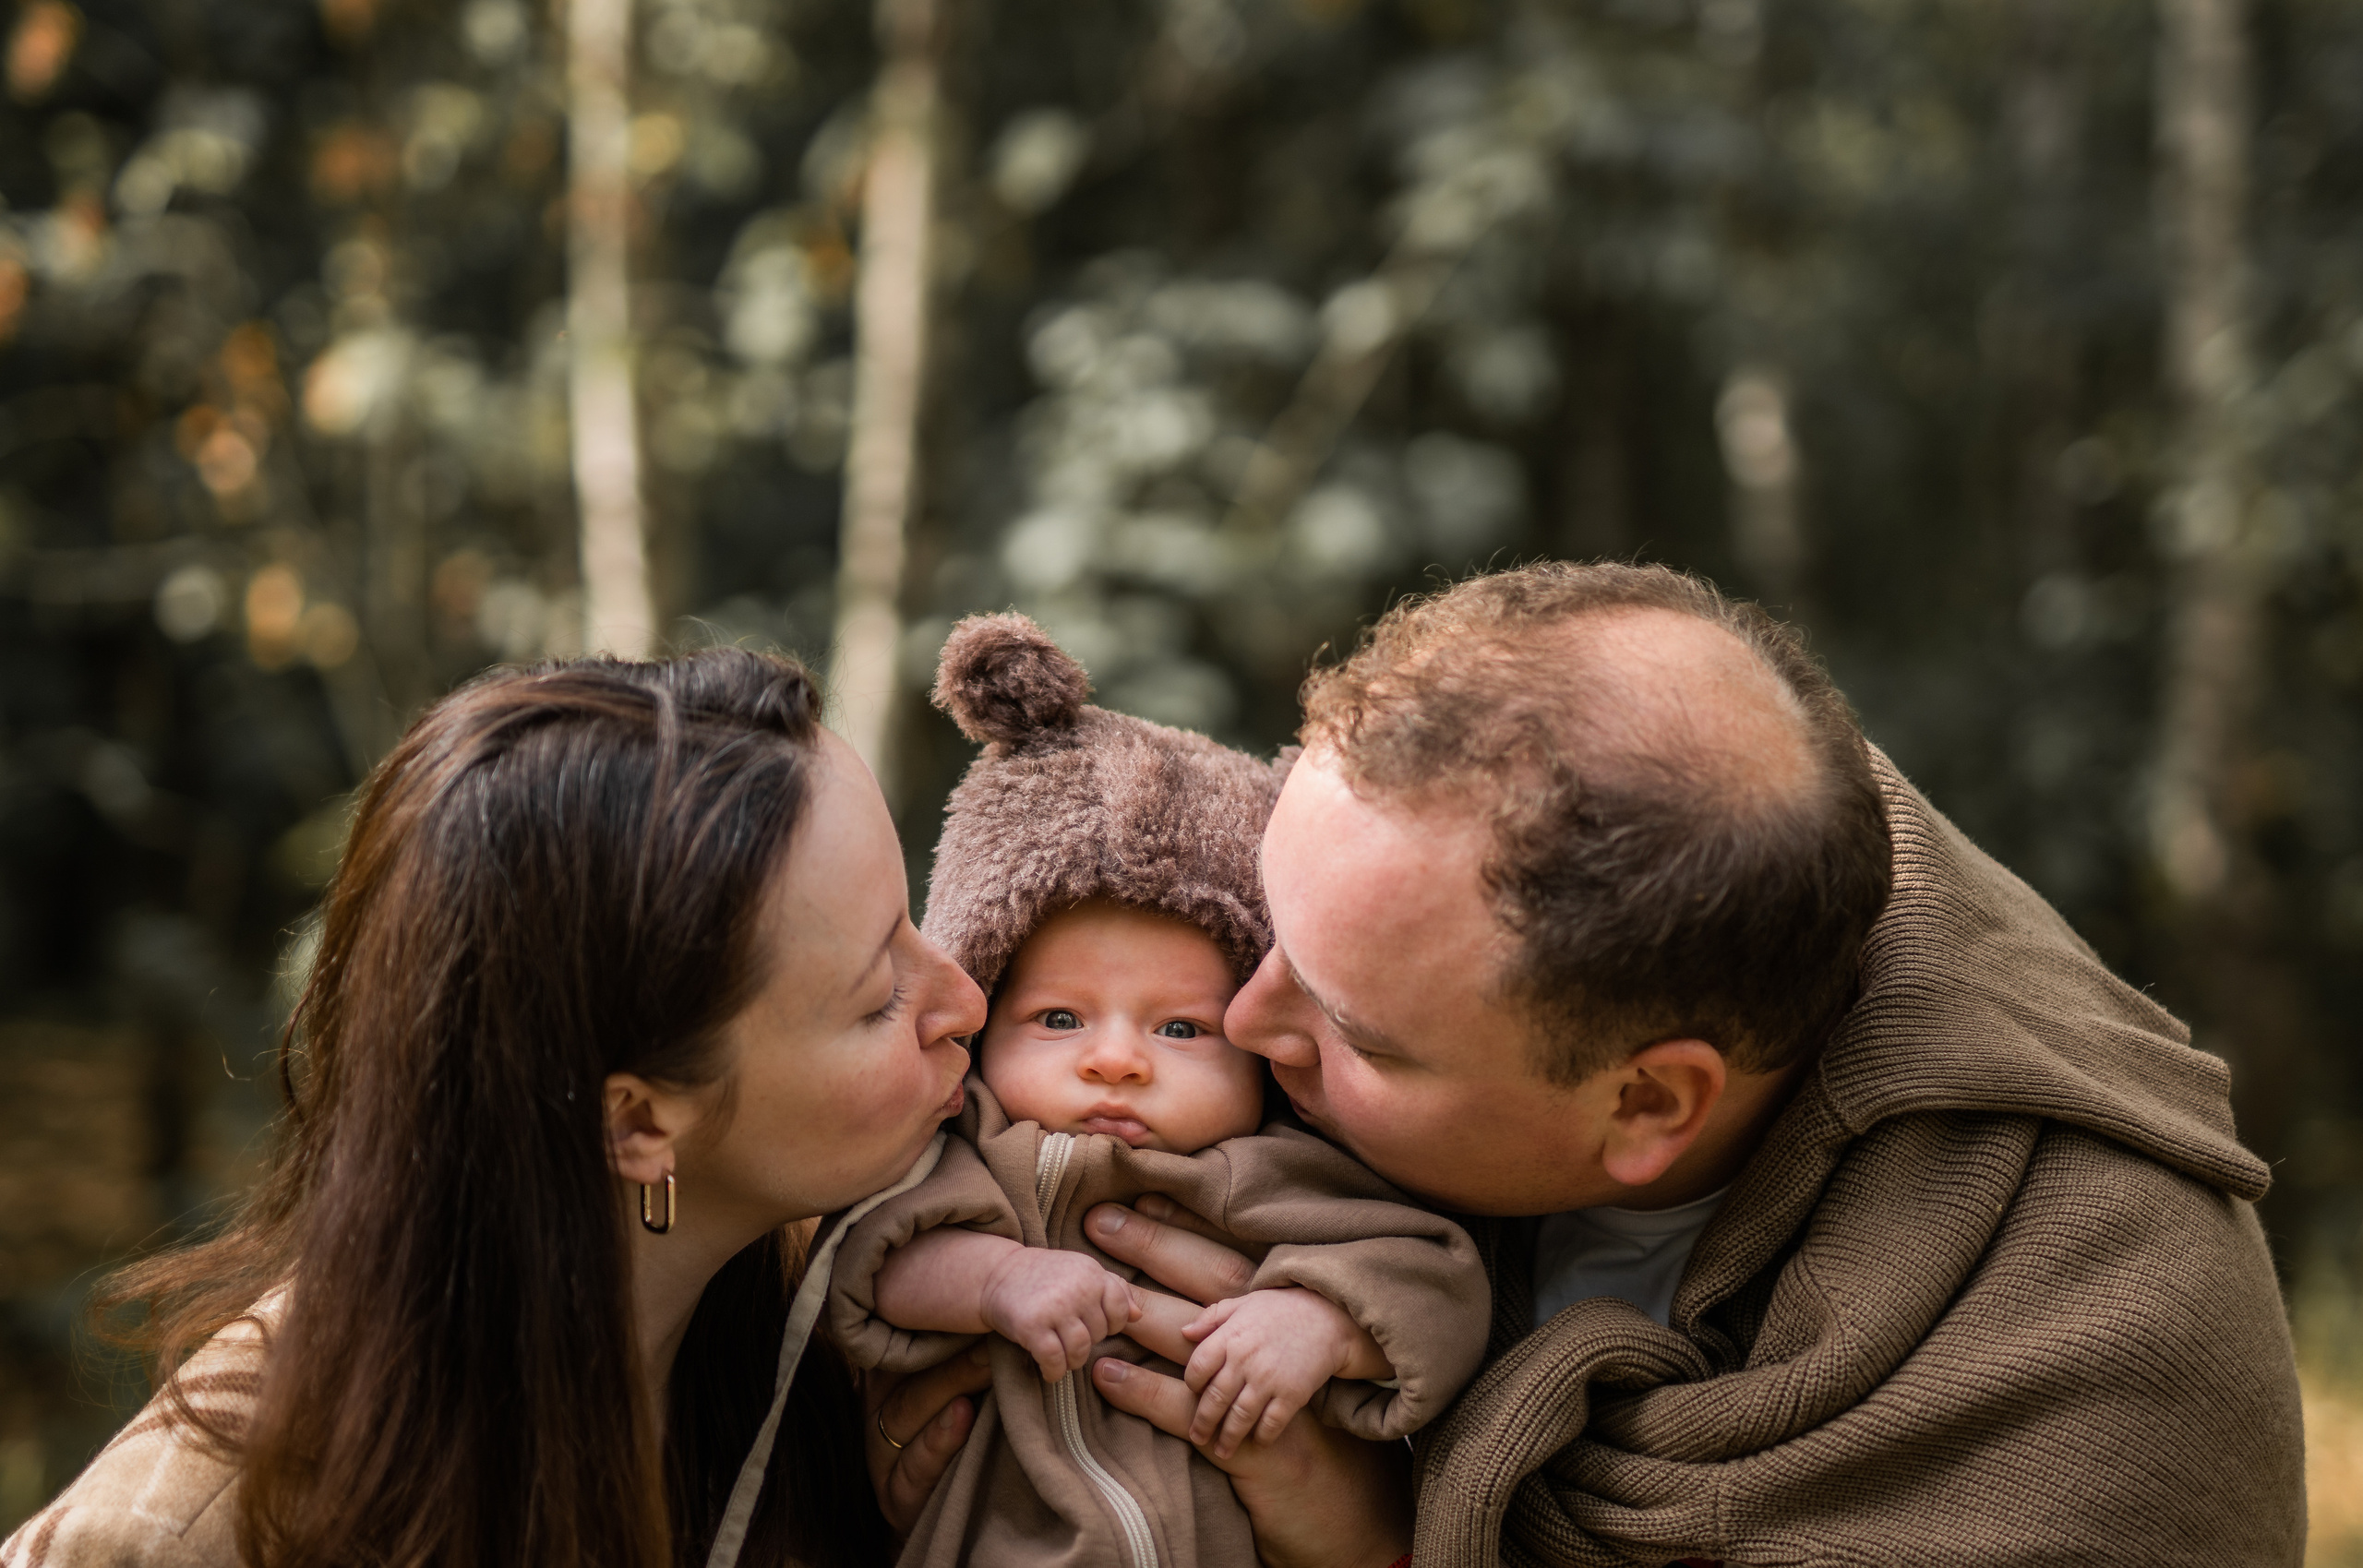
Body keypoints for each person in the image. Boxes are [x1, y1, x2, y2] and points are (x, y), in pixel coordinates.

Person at [897, 561, 2306, 1566]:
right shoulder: (1472, 863)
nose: (1248, 1021)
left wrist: (1376, 1538)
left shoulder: (2103, 1347)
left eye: (1353, 1028)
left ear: (1647, 1100)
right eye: (1267, 929)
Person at [2, 650, 988, 1568]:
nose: (965, 1001)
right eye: (877, 998)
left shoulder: (871, 1325)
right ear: (636, 1124)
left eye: (909, 921)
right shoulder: (178, 1540)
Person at [831, 616, 1489, 1568]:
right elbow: (873, 1257)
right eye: (1059, 1018)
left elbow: (1437, 1277)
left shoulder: (1279, 1173)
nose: (1115, 1060)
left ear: (1258, 1050)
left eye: (1179, 1029)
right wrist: (997, 1279)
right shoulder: (959, 1148)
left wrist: (1320, 1322)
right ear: (981, 1013)